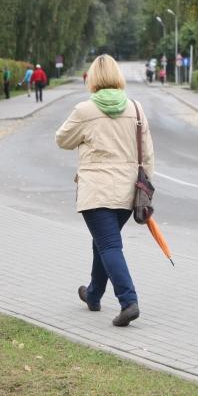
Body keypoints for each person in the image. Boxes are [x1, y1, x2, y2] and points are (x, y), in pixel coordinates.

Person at [55, 54, 154, 327]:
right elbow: (147, 154)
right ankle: (94, 294)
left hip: (96, 192)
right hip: (127, 193)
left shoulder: (85, 111)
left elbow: (62, 139)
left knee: (109, 244)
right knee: (103, 241)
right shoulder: (135, 108)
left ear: (93, 78)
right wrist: (145, 188)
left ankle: (129, 301)